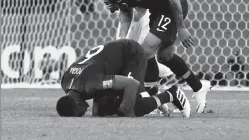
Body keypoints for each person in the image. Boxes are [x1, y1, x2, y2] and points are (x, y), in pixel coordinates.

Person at [93, 0, 211, 113]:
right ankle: (198, 86)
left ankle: (149, 96)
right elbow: (125, 13)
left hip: (174, 5)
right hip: (157, 11)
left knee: (145, 51)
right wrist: (121, 39)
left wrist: (181, 28)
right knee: (165, 57)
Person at [56, 39, 190, 117]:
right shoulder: (66, 82)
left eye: (79, 113)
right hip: (112, 62)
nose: (82, 113)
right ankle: (152, 92)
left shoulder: (90, 83)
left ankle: (172, 94)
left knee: (129, 110)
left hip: (131, 54)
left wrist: (124, 109)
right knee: (102, 113)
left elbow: (131, 84)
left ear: (77, 103)